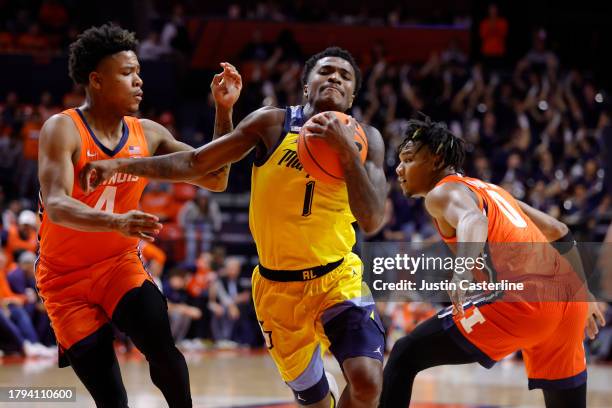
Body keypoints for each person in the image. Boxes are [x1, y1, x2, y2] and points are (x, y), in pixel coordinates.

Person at [81, 46, 387, 408]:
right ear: (306, 86)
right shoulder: (271, 124)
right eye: (325, 71)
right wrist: (120, 166)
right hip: (278, 291)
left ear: (352, 96)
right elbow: (202, 166)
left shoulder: (369, 141)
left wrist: (346, 151)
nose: (334, 77)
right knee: (318, 404)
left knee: (367, 383)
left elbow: (372, 219)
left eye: (345, 75)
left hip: (337, 278)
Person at [36, 24, 241, 407]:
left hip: (119, 265)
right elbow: (58, 205)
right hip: (64, 280)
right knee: (112, 398)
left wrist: (224, 111)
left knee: (161, 344)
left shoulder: (148, 132)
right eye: (127, 73)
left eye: (139, 72)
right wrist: (116, 222)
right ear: (96, 80)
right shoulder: (63, 129)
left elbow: (216, 177)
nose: (138, 81)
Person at [380, 116, 607, 408]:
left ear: (436, 159)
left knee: (404, 353)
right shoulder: (494, 191)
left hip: (524, 301)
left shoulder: (442, 193)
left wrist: (461, 272)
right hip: (567, 301)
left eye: (408, 159)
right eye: (399, 160)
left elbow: (473, 220)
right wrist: (584, 293)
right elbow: (558, 230)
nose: (399, 168)